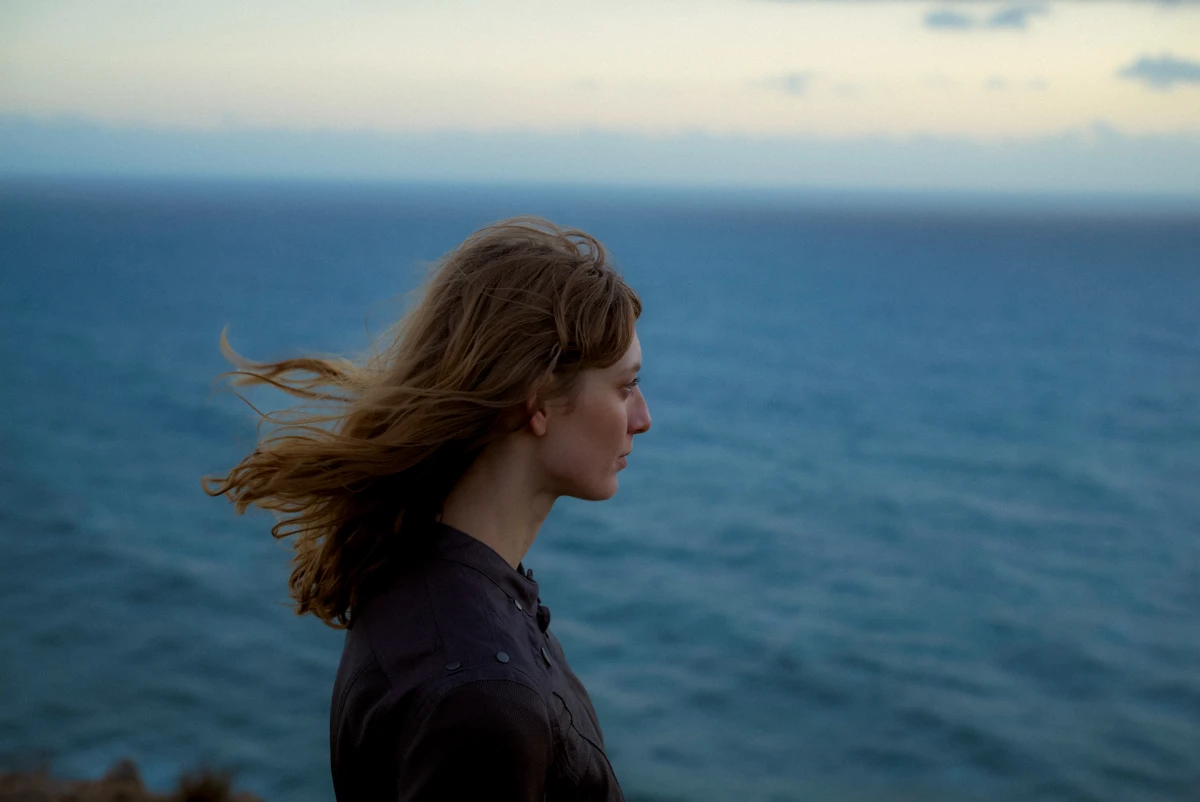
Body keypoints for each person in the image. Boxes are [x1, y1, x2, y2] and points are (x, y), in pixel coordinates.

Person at [205, 216, 652, 801]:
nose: (642, 418)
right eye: (624, 387)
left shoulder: (417, 574)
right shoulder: (484, 698)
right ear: (538, 400)